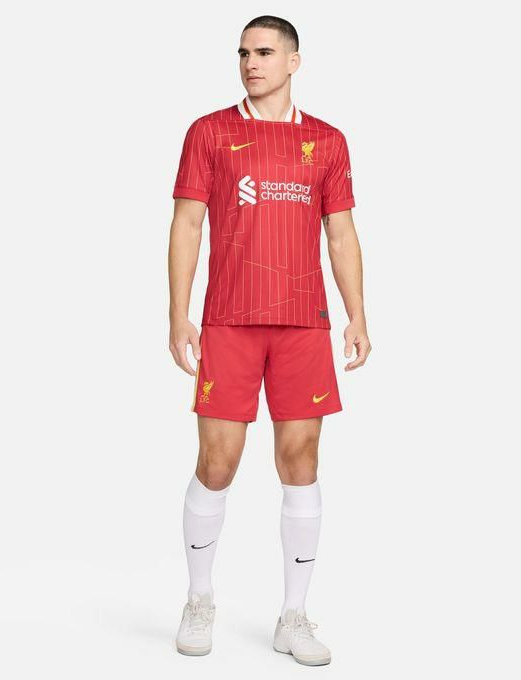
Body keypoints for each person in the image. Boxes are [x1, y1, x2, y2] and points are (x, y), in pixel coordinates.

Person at [168, 15, 371, 666]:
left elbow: (340, 232)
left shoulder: (327, 141)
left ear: (293, 62)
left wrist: (357, 314)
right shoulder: (209, 133)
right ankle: (199, 598)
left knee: (301, 461)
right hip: (229, 319)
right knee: (218, 462)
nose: (250, 63)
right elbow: (187, 223)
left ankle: (294, 615)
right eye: (243, 53)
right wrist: (178, 314)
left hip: (303, 323)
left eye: (263, 52)